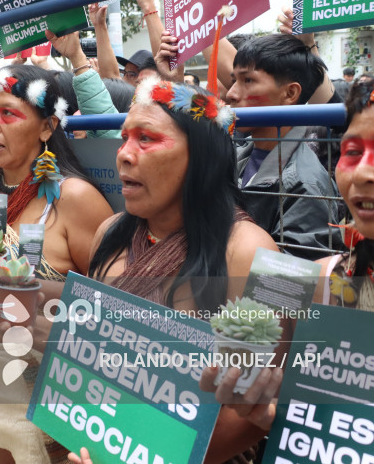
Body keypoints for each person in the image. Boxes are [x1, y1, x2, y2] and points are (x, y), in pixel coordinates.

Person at [200, 68, 374, 432]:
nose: (362, 173)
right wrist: (265, 417)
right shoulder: (288, 279)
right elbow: (213, 391)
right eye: (352, 151)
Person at [86, 77, 279, 462]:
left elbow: (254, 408)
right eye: (125, 138)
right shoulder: (109, 232)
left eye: (146, 139)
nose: (123, 153)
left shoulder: (252, 252)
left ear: (201, 157)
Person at [0, 64, 114, 464]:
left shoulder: (74, 199)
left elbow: (112, 312)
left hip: (54, 401)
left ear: (46, 128)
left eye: (8, 113)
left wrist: (36, 305)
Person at [226, 34, 341, 259]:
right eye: (234, 81)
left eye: (248, 80)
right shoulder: (236, 156)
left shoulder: (304, 184)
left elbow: (288, 284)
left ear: (289, 93)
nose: (231, 94)